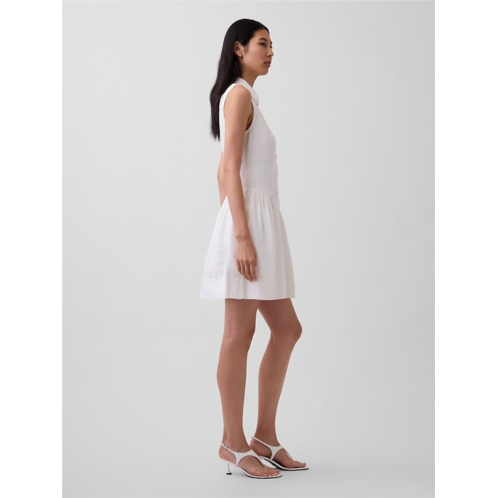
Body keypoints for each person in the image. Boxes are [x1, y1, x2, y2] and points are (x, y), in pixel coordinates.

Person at [200, 19, 308, 479]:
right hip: (249, 231)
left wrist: (243, 228)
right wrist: (239, 236)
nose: (270, 52)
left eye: (272, 45)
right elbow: (228, 171)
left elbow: (222, 173)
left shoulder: (247, 99)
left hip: (259, 227)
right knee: (238, 334)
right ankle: (232, 442)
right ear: (238, 49)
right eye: (263, 43)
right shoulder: (239, 95)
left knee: (287, 330)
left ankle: (263, 436)